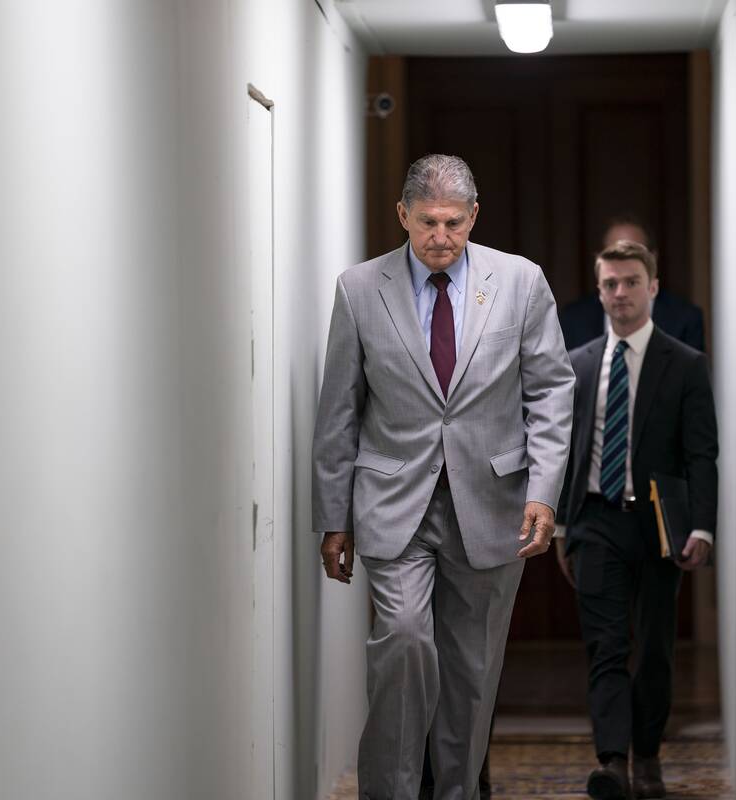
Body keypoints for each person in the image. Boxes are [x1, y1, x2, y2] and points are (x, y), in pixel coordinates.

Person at [312, 154, 575, 800]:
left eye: (454, 223)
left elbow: (551, 390)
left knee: (470, 674)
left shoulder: (519, 283)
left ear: (473, 217)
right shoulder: (359, 290)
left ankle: (456, 792)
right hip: (394, 503)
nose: (440, 237)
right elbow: (338, 411)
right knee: (402, 641)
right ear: (402, 216)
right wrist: (332, 517)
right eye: (427, 222)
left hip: (491, 505)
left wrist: (544, 491)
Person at [554, 239, 718, 799]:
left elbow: (702, 454)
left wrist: (701, 526)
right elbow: (563, 452)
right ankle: (612, 762)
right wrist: (559, 527)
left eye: (629, 282)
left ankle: (646, 754)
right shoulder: (575, 367)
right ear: (598, 290)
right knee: (605, 648)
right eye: (609, 284)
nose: (619, 294)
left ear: (652, 287)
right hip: (596, 521)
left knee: (653, 649)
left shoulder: (686, 366)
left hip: (657, 524)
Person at [558, 216, 706, 352]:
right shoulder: (572, 320)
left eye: (633, 255)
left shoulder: (685, 320)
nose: (623, 265)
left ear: (652, 259)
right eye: (614, 255)